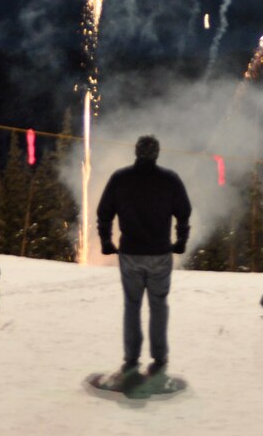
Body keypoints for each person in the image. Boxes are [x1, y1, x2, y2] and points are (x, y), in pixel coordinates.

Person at [96, 134, 192, 375]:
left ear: (136, 152)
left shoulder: (120, 178)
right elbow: (184, 212)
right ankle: (159, 357)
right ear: (157, 153)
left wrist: (106, 241)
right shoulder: (170, 180)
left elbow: (104, 212)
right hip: (160, 253)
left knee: (132, 304)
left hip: (130, 253)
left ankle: (131, 356)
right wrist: (181, 240)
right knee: (159, 305)